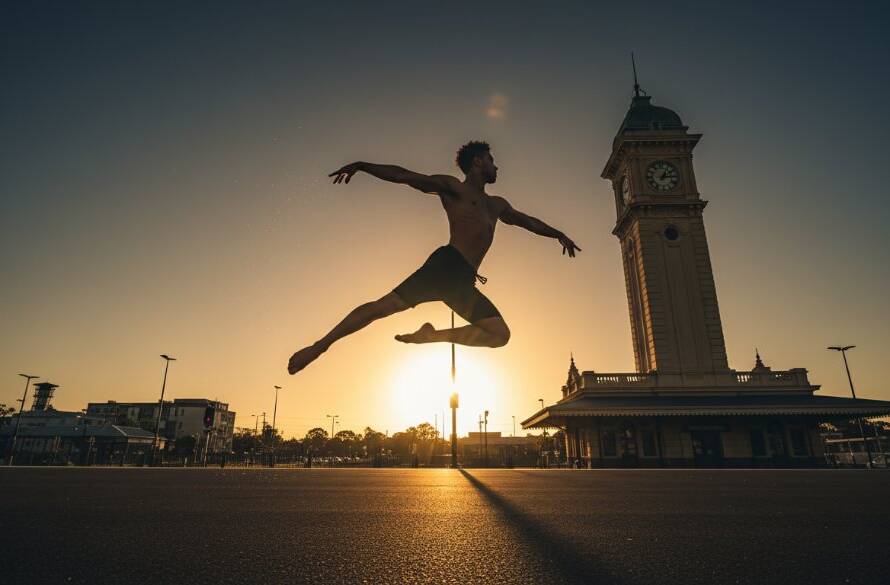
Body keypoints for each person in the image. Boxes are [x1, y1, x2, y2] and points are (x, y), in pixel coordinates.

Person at [287, 141, 581, 375]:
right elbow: (406, 176)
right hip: (445, 265)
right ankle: (319, 346)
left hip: (463, 281)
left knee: (499, 335)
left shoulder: (497, 205)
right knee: (383, 307)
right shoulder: (454, 187)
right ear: (478, 162)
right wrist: (363, 165)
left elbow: (527, 221)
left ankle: (431, 335)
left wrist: (557, 234)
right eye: (492, 160)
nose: (496, 166)